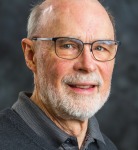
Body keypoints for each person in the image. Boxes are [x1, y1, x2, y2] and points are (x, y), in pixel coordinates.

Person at [0, 0, 120, 149]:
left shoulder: (108, 147)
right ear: (31, 55)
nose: (88, 65)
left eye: (100, 48)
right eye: (68, 46)